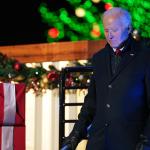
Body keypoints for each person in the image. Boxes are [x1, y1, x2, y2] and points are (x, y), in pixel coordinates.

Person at [61, 7, 150, 150]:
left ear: (128, 29)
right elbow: (91, 104)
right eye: (106, 30)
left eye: (114, 30)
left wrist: (146, 142)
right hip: (99, 142)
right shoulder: (99, 58)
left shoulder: (144, 57)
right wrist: (74, 136)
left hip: (130, 142)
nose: (110, 35)